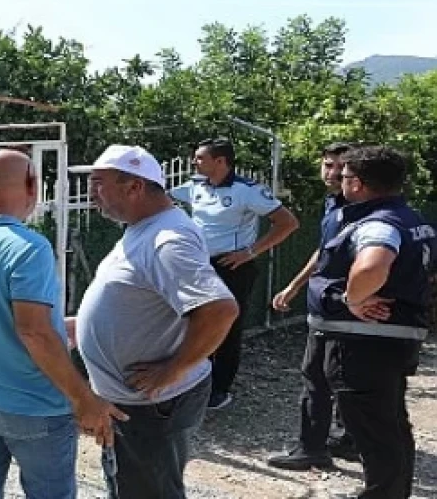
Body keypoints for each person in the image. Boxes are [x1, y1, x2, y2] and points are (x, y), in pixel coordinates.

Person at [0, 149, 126, 499]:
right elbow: (33, 332)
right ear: (33, 184)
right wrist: (84, 399)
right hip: (34, 405)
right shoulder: (29, 247)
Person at [72, 144, 239, 498]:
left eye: (99, 183)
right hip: (137, 405)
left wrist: (173, 369)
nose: (91, 195)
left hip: (150, 408)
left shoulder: (168, 239)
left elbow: (220, 309)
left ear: (134, 187)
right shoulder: (145, 228)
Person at [300, 145, 434, 498]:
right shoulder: (412, 218)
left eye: (344, 176)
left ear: (357, 183)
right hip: (392, 339)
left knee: (373, 430)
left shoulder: (378, 222)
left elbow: (373, 264)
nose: (338, 181)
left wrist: (350, 298)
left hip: (362, 342)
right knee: (390, 423)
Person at [169, 137, 300, 410]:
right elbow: (162, 198)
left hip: (233, 266)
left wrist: (251, 252)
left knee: (227, 327)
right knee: (192, 321)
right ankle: (191, 381)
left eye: (200, 158)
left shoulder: (248, 190)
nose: (195, 162)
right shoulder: (194, 187)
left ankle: (220, 388)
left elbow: (287, 223)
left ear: (221, 161)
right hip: (199, 265)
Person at [267, 141, 360, 470]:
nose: (332, 174)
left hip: (343, 310)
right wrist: (293, 287)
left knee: (319, 377)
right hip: (334, 307)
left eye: (340, 168)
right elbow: (324, 252)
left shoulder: (360, 210)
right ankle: (348, 439)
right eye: (327, 165)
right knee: (338, 376)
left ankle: (313, 449)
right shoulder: (333, 205)